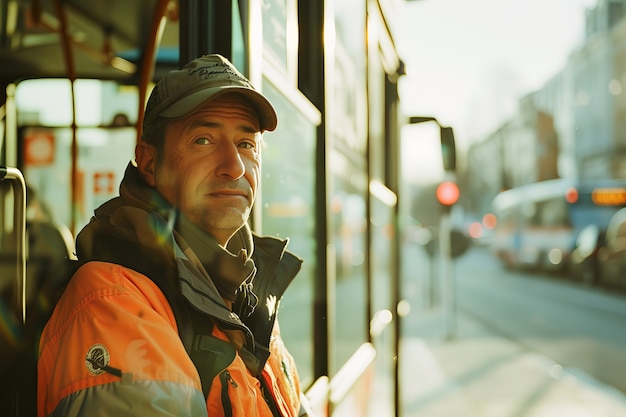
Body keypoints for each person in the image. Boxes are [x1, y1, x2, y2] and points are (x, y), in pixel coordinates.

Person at [37, 54, 312, 417]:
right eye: (203, 140)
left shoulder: (246, 297)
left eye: (246, 144)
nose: (234, 167)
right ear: (149, 163)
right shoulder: (112, 301)